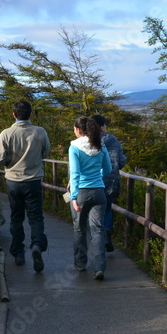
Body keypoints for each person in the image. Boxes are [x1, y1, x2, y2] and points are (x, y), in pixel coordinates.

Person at [0, 100, 51, 272]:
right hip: (33, 181)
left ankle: (18, 253)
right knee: (36, 217)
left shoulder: (6, 134)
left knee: (16, 217)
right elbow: (46, 152)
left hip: (13, 182)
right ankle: (37, 245)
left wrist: (9, 161)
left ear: (14, 115)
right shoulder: (40, 132)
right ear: (30, 114)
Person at [68, 116, 112, 280]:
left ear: (78, 131)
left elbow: (75, 173)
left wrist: (73, 196)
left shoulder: (74, 147)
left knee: (79, 228)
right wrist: (98, 177)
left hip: (81, 192)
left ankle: (81, 263)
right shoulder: (101, 146)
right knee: (97, 230)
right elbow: (107, 169)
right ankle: (99, 267)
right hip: (99, 192)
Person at [90, 114, 126, 252]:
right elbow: (121, 161)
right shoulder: (114, 141)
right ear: (101, 126)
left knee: (92, 211)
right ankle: (106, 234)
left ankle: (96, 239)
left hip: (93, 181)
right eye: (105, 125)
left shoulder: (88, 141)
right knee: (107, 209)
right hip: (111, 181)